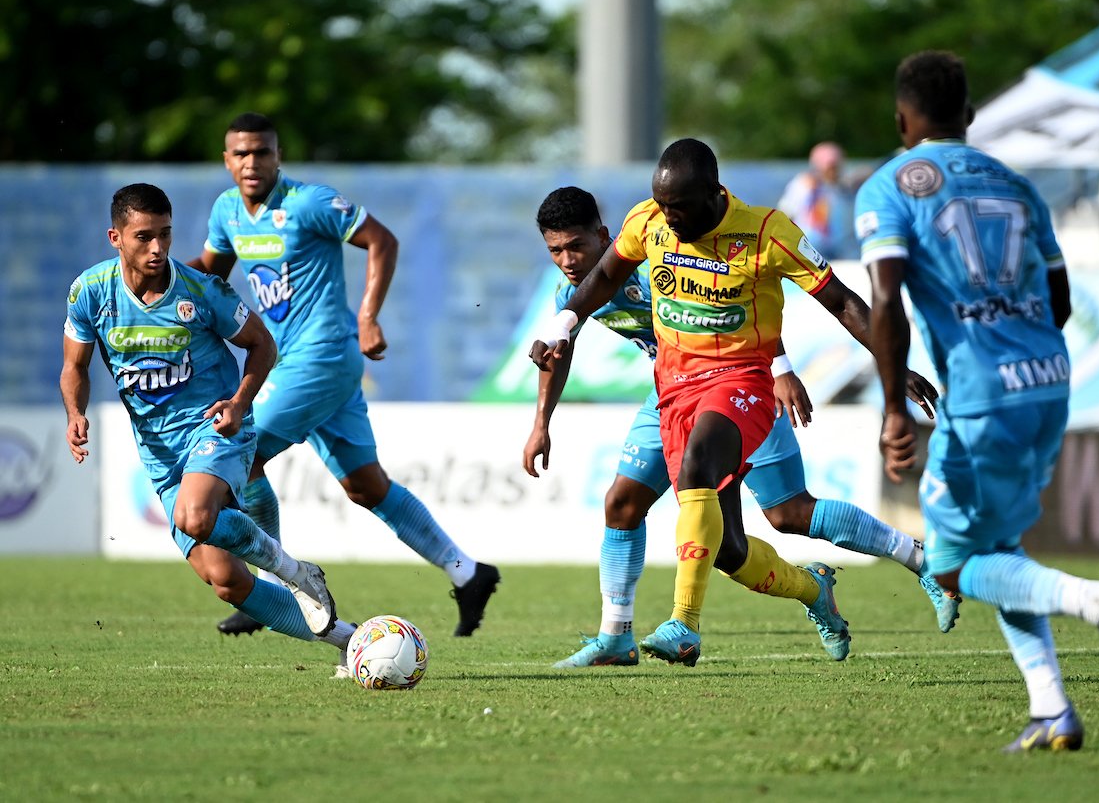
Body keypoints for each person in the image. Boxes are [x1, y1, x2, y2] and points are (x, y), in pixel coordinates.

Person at [530, 140, 927, 667]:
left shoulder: (659, 261)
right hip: (671, 391)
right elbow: (562, 350)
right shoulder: (586, 287)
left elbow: (737, 305)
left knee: (789, 514)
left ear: (603, 236)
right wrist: (541, 421)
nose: (567, 262)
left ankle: (916, 557)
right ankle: (617, 635)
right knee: (644, 513)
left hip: (741, 382)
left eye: (576, 247)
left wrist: (781, 370)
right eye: (555, 252)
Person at [858, 50, 1099, 752]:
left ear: (902, 120)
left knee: (952, 565)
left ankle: (1098, 602)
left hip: (982, 394)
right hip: (1050, 379)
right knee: (1001, 549)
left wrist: (895, 405)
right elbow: (1060, 298)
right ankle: (1052, 709)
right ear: (969, 115)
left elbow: (886, 296)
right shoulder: (1018, 185)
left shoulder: (887, 188)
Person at [189, 112, 499, 640]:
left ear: (277, 155)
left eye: (262, 152)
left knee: (241, 451)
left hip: (323, 358)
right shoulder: (227, 212)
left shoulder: (309, 203)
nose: (251, 162)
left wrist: (368, 315)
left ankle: (274, 587)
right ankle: (467, 573)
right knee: (366, 486)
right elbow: (210, 273)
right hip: (296, 367)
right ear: (226, 160)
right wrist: (162, 280)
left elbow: (383, 240)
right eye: (240, 153)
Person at [61, 183, 357, 662]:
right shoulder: (90, 291)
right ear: (115, 237)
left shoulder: (201, 290)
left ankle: (296, 572)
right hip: (161, 454)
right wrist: (75, 413)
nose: (158, 248)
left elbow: (263, 344)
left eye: (166, 234)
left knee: (194, 516)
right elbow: (74, 366)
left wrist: (240, 401)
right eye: (144, 237)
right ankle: (350, 639)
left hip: (217, 427)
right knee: (226, 582)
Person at [776, 141, 856, 260]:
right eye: (831, 167)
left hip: (837, 250)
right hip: (809, 248)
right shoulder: (803, 185)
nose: (834, 171)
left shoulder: (841, 188)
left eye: (836, 167)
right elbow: (785, 214)